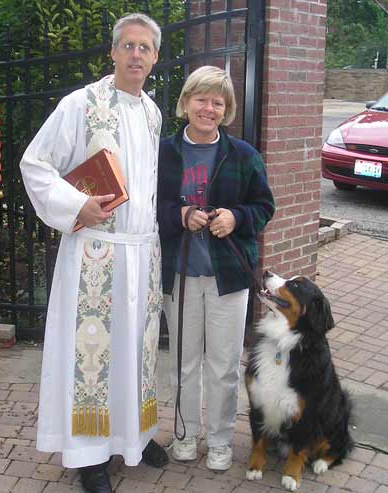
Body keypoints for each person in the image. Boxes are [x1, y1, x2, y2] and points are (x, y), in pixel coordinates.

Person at [20, 13, 168, 493]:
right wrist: (76, 203)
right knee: (92, 355)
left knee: (136, 351)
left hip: (142, 254)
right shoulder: (80, 105)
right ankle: (89, 456)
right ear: (112, 52)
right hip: (95, 256)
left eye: (144, 48)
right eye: (127, 45)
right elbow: (35, 164)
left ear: (155, 58)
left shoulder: (152, 112)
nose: (135, 55)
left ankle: (136, 435)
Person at [157, 65, 275, 471]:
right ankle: (186, 434)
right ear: (186, 102)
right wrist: (180, 215)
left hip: (228, 278)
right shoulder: (163, 153)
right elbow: (150, 208)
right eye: (201, 99)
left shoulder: (243, 154)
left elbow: (264, 206)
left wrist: (237, 218)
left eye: (217, 102)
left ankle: (222, 439)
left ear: (227, 110)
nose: (208, 108)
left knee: (223, 366)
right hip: (179, 274)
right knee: (184, 362)